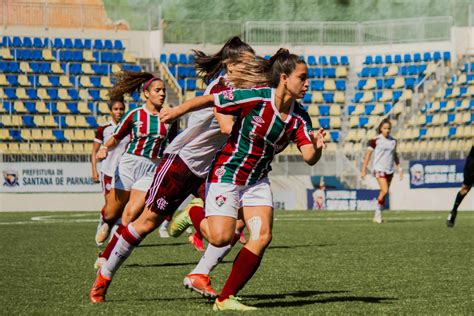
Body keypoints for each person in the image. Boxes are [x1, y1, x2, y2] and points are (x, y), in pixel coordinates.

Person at [89, 37, 256, 303]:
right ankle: (105, 274)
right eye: (248, 64)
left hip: (212, 168)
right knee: (144, 223)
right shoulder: (223, 88)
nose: (252, 70)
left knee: (236, 222)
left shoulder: (244, 87)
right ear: (230, 66)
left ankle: (200, 273)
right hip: (182, 163)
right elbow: (227, 127)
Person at [159, 48, 326, 311]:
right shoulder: (257, 97)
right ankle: (194, 212)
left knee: (262, 235)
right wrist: (176, 111)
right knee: (222, 237)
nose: (307, 84)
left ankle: (225, 299)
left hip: (257, 180)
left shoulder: (299, 117)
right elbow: (213, 100)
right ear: (284, 78)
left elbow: (308, 157)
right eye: (302, 77)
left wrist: (316, 147)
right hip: (227, 173)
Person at [93, 71, 176, 268]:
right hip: (129, 164)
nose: (162, 94)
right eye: (158, 90)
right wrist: (105, 147)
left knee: (129, 216)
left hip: (151, 169)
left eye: (164, 90)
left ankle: (105, 256)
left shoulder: (170, 116)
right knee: (112, 213)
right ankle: (106, 221)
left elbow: (173, 144)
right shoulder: (135, 115)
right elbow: (117, 136)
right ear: (146, 93)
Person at [91, 98, 128, 246]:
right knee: (109, 204)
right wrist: (94, 171)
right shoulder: (104, 128)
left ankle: (114, 234)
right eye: (116, 109)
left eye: (121, 109)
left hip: (123, 173)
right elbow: (94, 151)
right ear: (111, 111)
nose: (119, 112)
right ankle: (104, 223)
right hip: (107, 172)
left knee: (120, 205)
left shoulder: (128, 127)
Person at [361, 118, 402, 224]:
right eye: (385, 128)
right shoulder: (375, 140)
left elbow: (395, 155)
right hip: (379, 169)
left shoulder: (393, 141)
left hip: (390, 170)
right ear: (380, 129)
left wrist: (399, 168)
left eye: (389, 128)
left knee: (384, 193)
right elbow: (368, 155)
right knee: (385, 190)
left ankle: (377, 215)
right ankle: (378, 214)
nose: (387, 130)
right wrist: (364, 169)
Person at [446, 144, 473, 227]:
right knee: (465, 188)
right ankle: (453, 212)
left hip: (470, 163)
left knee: (465, 189)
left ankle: (453, 211)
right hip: (472, 163)